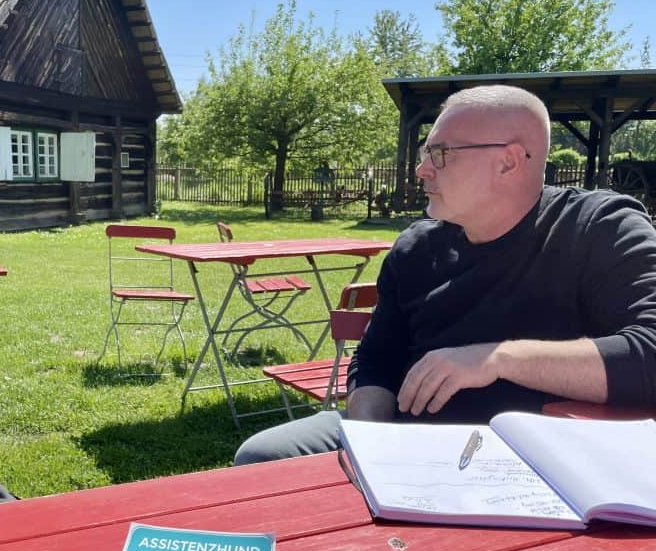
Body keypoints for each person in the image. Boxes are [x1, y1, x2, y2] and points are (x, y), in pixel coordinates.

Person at [235, 84, 656, 465]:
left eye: (441, 154)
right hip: (403, 437)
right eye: (425, 154)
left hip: (534, 460)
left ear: (509, 161)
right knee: (262, 457)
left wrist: (497, 359)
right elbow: (376, 359)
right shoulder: (416, 247)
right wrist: (370, 441)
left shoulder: (598, 228)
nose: (422, 170)